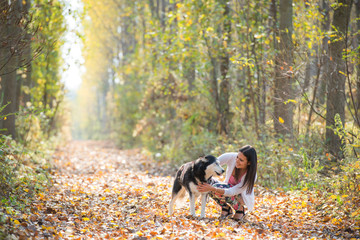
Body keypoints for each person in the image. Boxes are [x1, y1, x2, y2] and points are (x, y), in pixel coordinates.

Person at [197, 145, 257, 220]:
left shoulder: (251, 175)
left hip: (239, 196)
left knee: (214, 187)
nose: (237, 161)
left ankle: (240, 209)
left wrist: (212, 188)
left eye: (241, 160)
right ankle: (226, 208)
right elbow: (212, 164)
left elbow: (232, 191)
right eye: (237, 157)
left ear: (249, 163)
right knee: (206, 182)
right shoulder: (231, 157)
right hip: (226, 188)